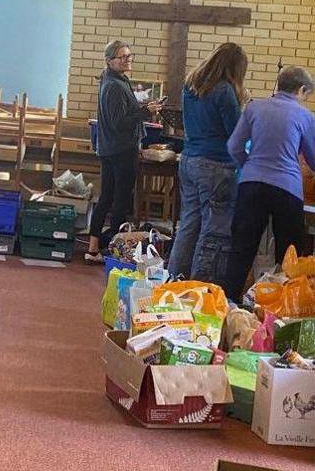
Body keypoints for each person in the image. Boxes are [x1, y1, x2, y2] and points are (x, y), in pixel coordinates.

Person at [220, 66, 315, 302]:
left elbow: (233, 146)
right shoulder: (305, 116)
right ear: (302, 89)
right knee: (288, 253)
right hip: (288, 189)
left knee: (241, 248)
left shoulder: (254, 108)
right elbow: (313, 157)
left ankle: (228, 304)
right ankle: (281, 308)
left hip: (251, 185)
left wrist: (249, 166)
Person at [167, 43, 248, 281]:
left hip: (189, 159)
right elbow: (236, 132)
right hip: (216, 164)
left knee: (189, 224)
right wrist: (242, 105)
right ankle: (200, 285)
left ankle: (175, 279)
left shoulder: (191, 85)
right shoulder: (224, 90)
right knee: (212, 229)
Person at [85, 40, 163, 262]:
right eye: (123, 57)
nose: (128, 60)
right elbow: (120, 122)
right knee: (119, 200)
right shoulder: (113, 85)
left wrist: (142, 109)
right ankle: (114, 252)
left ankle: (94, 249)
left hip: (113, 147)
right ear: (109, 60)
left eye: (130, 56)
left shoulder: (116, 80)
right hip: (120, 149)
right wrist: (145, 112)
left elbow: (122, 114)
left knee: (108, 197)